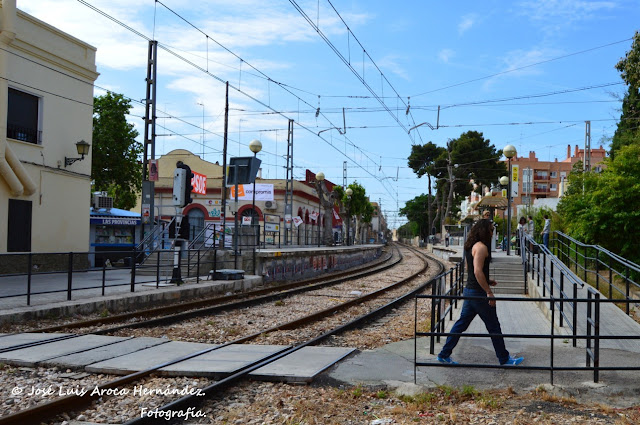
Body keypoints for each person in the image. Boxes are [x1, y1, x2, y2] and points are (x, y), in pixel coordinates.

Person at [437, 219, 524, 366]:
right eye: (490, 230)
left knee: (461, 324)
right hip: (478, 294)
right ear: (484, 231)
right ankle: (504, 359)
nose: (492, 233)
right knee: (493, 326)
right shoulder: (482, 247)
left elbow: (469, 269)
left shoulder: (470, 246)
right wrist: (489, 291)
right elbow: (477, 271)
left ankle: (444, 354)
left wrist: (487, 280)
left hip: (470, 291)